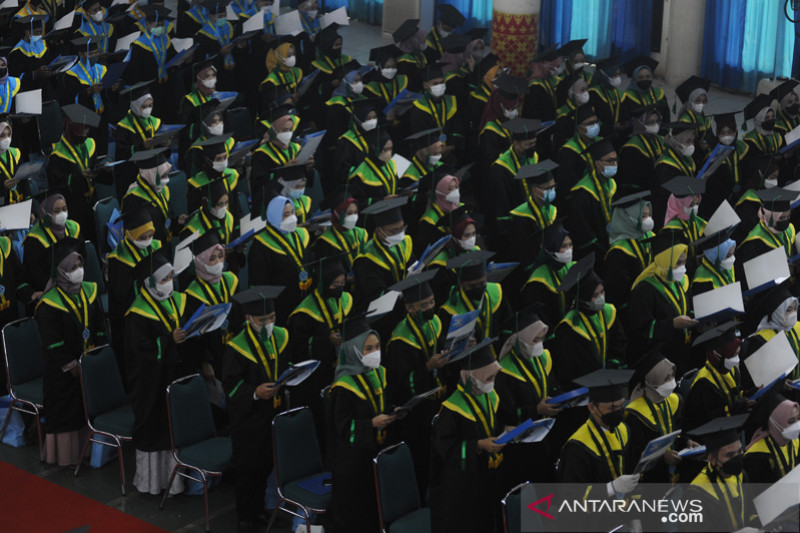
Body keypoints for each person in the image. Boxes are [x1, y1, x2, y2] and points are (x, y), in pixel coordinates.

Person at [222, 286, 290, 532]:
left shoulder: (280, 336)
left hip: (272, 413)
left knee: (264, 465)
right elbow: (230, 386)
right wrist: (254, 392)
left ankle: (260, 510)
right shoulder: (236, 347)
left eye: (272, 318)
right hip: (248, 419)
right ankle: (245, 516)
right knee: (247, 469)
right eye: (263, 320)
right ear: (249, 319)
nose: (269, 323)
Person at [36, 238, 107, 465]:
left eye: (80, 265)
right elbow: (53, 343)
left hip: (88, 363)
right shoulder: (48, 305)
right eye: (72, 268)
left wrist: (98, 355)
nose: (79, 271)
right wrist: (72, 366)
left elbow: (99, 328)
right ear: (61, 272)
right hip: (62, 371)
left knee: (87, 407)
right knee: (66, 408)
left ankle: (87, 450)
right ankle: (64, 456)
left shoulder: (90, 291)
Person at [125, 252, 188, 496]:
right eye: (164, 279)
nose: (170, 282)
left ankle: (177, 481)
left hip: (171, 375)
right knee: (156, 427)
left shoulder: (174, 301)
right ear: (149, 283)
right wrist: (168, 341)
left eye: (171, 276)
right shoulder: (137, 314)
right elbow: (140, 354)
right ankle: (152, 482)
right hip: (150, 384)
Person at [328, 316, 398, 533]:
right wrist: (371, 424)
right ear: (353, 349)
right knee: (352, 510)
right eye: (367, 348)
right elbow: (342, 427)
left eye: (376, 346)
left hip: (374, 451)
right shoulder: (343, 386)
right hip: (351, 459)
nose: (374, 352)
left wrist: (393, 413)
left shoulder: (379, 373)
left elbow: (381, 405)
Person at [429, 340, 505, 533]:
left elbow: (491, 427)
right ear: (471, 378)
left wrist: (506, 431)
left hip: (486, 476)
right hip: (461, 485)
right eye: (487, 378)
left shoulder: (490, 396)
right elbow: (444, 447)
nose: (491, 383)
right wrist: (479, 445)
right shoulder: (451, 409)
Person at [384, 270, 448, 497]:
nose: (430, 307)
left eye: (431, 302)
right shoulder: (401, 340)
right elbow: (399, 384)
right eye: (423, 305)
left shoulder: (434, 322)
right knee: (420, 458)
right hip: (414, 413)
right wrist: (428, 369)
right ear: (409, 308)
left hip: (437, 400)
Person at [496, 308, 562, 485]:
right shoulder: (503, 372)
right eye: (535, 340)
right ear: (520, 340)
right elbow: (505, 413)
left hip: (547, 434)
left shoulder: (542, 358)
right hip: (522, 444)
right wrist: (536, 410)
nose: (539, 344)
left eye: (541, 339)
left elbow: (553, 385)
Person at [558, 369, 638, 498]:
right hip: (593, 515)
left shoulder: (624, 430)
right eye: (612, 408)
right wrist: (611, 488)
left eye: (621, 406)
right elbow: (571, 497)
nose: (618, 412)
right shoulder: (577, 447)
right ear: (592, 408)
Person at [107, 206, 163, 383]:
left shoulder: (156, 247)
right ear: (128, 234)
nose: (147, 240)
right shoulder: (118, 260)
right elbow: (122, 296)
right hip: (130, 322)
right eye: (142, 237)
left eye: (150, 236)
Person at [552, 254, 628, 385]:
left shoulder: (608, 311)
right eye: (595, 295)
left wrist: (613, 364)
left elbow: (619, 342)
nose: (600, 298)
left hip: (609, 378)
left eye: (602, 292)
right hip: (584, 384)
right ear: (583, 297)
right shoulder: (569, 326)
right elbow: (571, 364)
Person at [627, 235, 697, 374]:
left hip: (684, 350)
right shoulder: (645, 289)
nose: (682, 268)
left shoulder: (679, 282)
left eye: (684, 262)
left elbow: (687, 308)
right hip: (660, 359)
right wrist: (672, 324)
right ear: (665, 262)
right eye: (678, 263)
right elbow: (640, 328)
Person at [183, 231, 238, 379]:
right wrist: (204, 362)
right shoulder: (192, 294)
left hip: (234, 347)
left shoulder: (230, 280)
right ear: (200, 261)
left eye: (220, 256)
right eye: (212, 259)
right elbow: (194, 334)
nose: (219, 262)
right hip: (213, 353)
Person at [247, 195, 311, 322]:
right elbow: (260, 283)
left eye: (292, 212)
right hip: (279, 305)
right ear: (274, 216)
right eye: (286, 214)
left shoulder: (301, 234)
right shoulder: (260, 245)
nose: (292, 217)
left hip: (305, 298)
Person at [440, 251, 512, 358]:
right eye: (472, 286)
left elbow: (508, 322)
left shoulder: (496, 292)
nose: (478, 287)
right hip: (472, 361)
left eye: (482, 283)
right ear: (461, 284)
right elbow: (448, 347)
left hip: (501, 353)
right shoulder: (449, 310)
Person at [625, 351, 682, 483]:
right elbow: (635, 457)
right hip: (650, 482)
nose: (671, 381)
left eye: (672, 376)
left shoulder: (674, 401)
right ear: (652, 381)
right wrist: (662, 457)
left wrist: (686, 442)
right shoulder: (635, 415)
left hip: (674, 475)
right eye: (666, 379)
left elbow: (677, 432)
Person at [686, 414, 751, 532]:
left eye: (740, 451)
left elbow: (750, 510)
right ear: (712, 459)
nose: (737, 458)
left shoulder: (741, 475)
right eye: (730, 455)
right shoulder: (696, 493)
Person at [48, 104, 102, 238]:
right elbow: (57, 185)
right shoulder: (57, 155)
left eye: (87, 130)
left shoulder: (89, 144)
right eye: (81, 131)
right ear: (70, 127)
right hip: (73, 207)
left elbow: (95, 166)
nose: (85, 134)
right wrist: (79, 177)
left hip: (92, 202)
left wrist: (103, 169)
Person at [352, 196, 415, 311]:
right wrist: (401, 291)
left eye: (402, 228)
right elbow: (375, 294)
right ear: (379, 231)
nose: (400, 233)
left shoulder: (405, 242)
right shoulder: (366, 259)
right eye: (394, 230)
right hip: (382, 313)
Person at [684, 322, 747, 430]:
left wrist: (747, 395)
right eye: (733, 355)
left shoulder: (731, 371)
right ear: (718, 355)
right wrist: (730, 409)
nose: (736, 359)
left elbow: (732, 393)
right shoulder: (702, 384)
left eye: (738, 354)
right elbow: (703, 420)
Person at [603, 192, 655, 318]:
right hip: (633, 309)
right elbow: (619, 291)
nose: (648, 220)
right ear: (629, 218)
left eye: (649, 215)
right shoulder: (618, 252)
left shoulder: (648, 236)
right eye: (643, 216)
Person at [568, 138, 618, 260]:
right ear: (597, 163)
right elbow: (583, 229)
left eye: (616, 160)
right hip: (596, 252)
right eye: (610, 161)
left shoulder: (611, 184)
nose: (615, 164)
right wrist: (600, 249)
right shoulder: (582, 193)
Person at [520, 221, 575, 327]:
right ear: (550, 249)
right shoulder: (537, 282)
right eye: (563, 246)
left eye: (570, 245)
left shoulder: (571, 267)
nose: (569, 250)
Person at [23, 194, 81, 294]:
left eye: (64, 209)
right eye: (56, 211)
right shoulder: (33, 241)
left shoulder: (73, 228)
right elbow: (37, 277)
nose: (62, 214)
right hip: (49, 293)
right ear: (46, 212)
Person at [736, 188, 797, 283]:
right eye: (781, 218)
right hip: (771, 291)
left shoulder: (789, 230)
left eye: (788, 216)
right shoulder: (755, 242)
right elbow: (753, 279)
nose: (786, 221)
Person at [743, 390, 800, 484]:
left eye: (798, 418)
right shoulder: (756, 455)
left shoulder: (794, 440)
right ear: (776, 422)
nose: (797, 425)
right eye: (791, 421)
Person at [477, 74, 528, 175]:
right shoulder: (489, 131)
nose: (515, 111)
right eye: (511, 108)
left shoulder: (512, 122)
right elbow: (490, 160)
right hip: (499, 174)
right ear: (499, 105)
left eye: (516, 107)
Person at [121, 148, 175, 243]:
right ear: (151, 174)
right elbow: (140, 237)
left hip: (164, 245)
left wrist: (178, 222)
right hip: (148, 253)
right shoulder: (133, 198)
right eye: (162, 176)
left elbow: (167, 219)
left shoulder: (162, 191)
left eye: (167, 175)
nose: (166, 180)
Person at [702, 111, 749, 218]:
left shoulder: (744, 149)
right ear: (717, 134)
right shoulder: (713, 157)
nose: (726, 136)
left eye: (730, 132)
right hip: (720, 205)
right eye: (722, 133)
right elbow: (711, 189)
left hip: (742, 199)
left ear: (736, 132)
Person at [313, 191, 368, 273]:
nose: (353, 217)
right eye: (349, 213)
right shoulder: (326, 242)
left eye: (355, 212)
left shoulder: (362, 233)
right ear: (337, 214)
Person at [652, 123, 697, 224]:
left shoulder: (685, 158)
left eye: (692, 141)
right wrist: (698, 185)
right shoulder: (665, 165)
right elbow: (669, 192)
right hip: (668, 214)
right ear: (678, 141)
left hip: (685, 210)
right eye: (688, 142)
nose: (691, 145)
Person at [616, 105, 664, 197]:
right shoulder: (631, 148)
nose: (655, 125)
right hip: (642, 193)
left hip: (658, 190)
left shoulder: (661, 140)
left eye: (657, 121)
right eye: (651, 122)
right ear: (641, 123)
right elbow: (628, 179)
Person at [555, 103, 600, 200]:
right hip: (583, 199)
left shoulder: (601, 142)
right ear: (578, 128)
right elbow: (568, 183)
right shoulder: (568, 152)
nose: (595, 125)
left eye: (596, 122)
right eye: (590, 123)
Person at [187, 134, 240, 212]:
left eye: (225, 157)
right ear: (209, 161)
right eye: (218, 159)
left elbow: (236, 209)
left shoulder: (231, 175)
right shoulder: (196, 184)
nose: (223, 161)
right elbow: (194, 213)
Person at [660, 176, 707, 261]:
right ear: (680, 205)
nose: (694, 208)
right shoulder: (671, 229)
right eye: (691, 205)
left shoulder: (696, 221)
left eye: (697, 204)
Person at [347, 127, 398, 205]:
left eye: (391, 148)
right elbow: (358, 202)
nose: (389, 153)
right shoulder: (359, 175)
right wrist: (382, 200)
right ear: (374, 148)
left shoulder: (392, 164)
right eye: (385, 149)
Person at [182, 177, 235, 246]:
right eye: (219, 204)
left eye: (226, 202)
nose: (224, 208)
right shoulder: (192, 228)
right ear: (207, 203)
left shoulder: (228, 217)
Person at [619, 55, 669, 122]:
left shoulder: (659, 94)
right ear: (634, 79)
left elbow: (666, 118)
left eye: (648, 77)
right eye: (640, 77)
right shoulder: (627, 97)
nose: (645, 79)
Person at [676, 75, 712, 160]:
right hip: (690, 154)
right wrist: (700, 145)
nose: (701, 104)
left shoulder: (703, 117)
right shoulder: (685, 120)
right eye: (697, 100)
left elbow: (709, 136)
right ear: (691, 100)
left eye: (704, 101)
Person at [691, 227, 737, 295]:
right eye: (728, 255)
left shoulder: (726, 266)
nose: (732, 259)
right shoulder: (702, 281)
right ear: (715, 254)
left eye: (733, 253)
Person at [523, 44, 562, 122]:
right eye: (555, 66)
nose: (557, 69)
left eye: (558, 66)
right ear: (545, 64)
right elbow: (532, 112)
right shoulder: (535, 86)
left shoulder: (548, 79)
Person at [588, 57, 623, 140]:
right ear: (604, 75)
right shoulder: (593, 93)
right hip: (599, 137)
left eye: (619, 74)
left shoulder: (617, 92)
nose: (618, 77)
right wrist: (611, 127)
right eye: (614, 74)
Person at [743, 93, 784, 158]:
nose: (771, 120)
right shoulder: (750, 140)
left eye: (773, 116)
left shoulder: (777, 136)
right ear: (759, 120)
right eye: (767, 118)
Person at [394, 19, 428, 93]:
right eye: (423, 41)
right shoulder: (404, 62)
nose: (425, 43)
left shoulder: (419, 54)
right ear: (415, 41)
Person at [0, 118, 28, 205]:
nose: (7, 139)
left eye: (9, 135)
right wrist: (2, 186)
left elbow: (24, 181)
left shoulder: (16, 152)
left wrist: (30, 206)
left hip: (20, 201)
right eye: (2, 135)